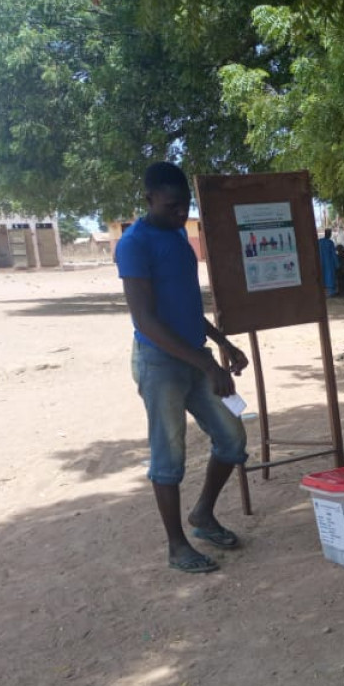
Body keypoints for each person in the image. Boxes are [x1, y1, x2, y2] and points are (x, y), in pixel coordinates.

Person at [116, 161, 249, 574]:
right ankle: (177, 547)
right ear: (149, 198)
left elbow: (186, 308)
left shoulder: (176, 235)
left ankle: (202, 515)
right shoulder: (134, 244)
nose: (181, 214)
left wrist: (221, 342)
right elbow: (147, 321)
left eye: (185, 206)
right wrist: (207, 364)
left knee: (232, 439)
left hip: (194, 356)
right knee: (168, 455)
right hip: (160, 364)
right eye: (173, 206)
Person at [318, 229, 337, 296]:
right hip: (329, 262)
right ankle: (330, 292)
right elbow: (333, 254)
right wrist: (337, 264)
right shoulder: (330, 243)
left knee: (322, 275)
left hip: (320, 261)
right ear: (329, 234)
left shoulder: (319, 241)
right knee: (330, 276)